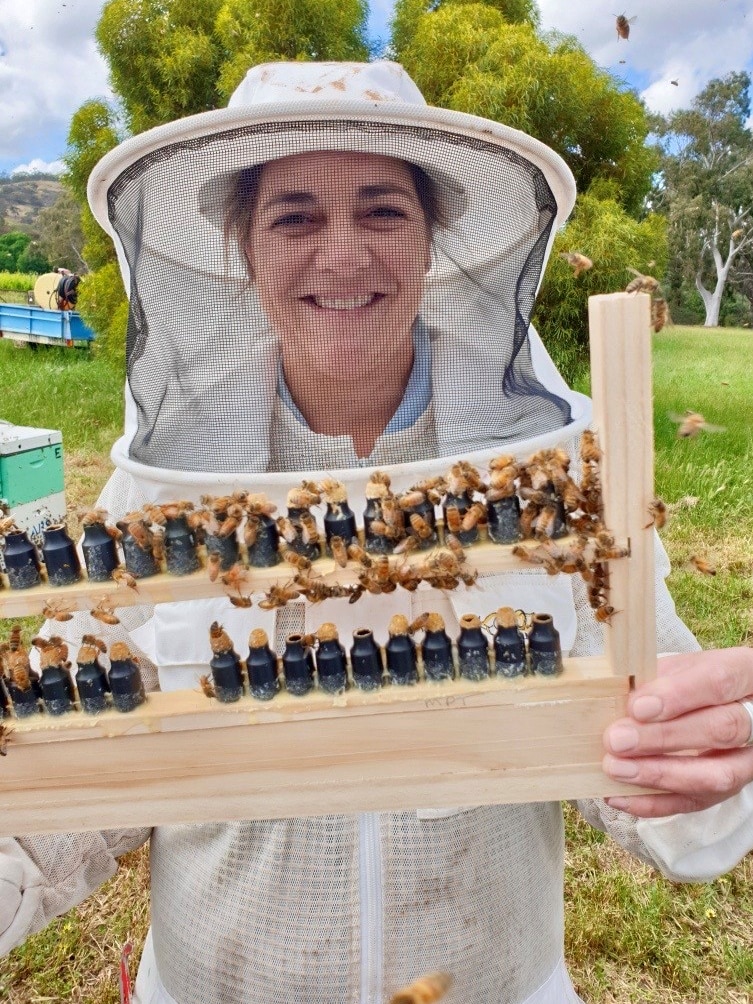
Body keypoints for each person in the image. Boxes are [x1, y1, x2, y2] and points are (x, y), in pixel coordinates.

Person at [2, 60, 753, 1004]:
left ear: (434, 240)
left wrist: (698, 765)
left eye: (383, 211)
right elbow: (63, 780)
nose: (344, 254)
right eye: (294, 217)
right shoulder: (155, 490)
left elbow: (672, 763)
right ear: (243, 249)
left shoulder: (560, 464)